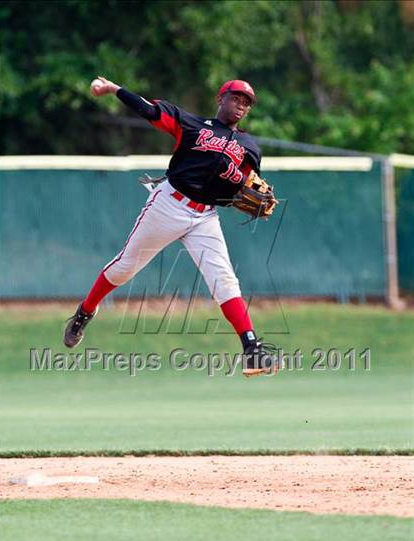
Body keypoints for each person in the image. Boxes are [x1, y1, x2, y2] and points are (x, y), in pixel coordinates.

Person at [63, 76, 278, 376]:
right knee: (124, 268)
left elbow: (241, 188)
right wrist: (115, 90)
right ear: (221, 99)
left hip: (205, 216)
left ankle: (251, 349)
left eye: (247, 102)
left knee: (225, 281)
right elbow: (150, 111)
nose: (241, 104)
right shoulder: (192, 125)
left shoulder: (249, 147)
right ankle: (85, 312)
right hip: (169, 205)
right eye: (236, 98)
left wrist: (245, 194)